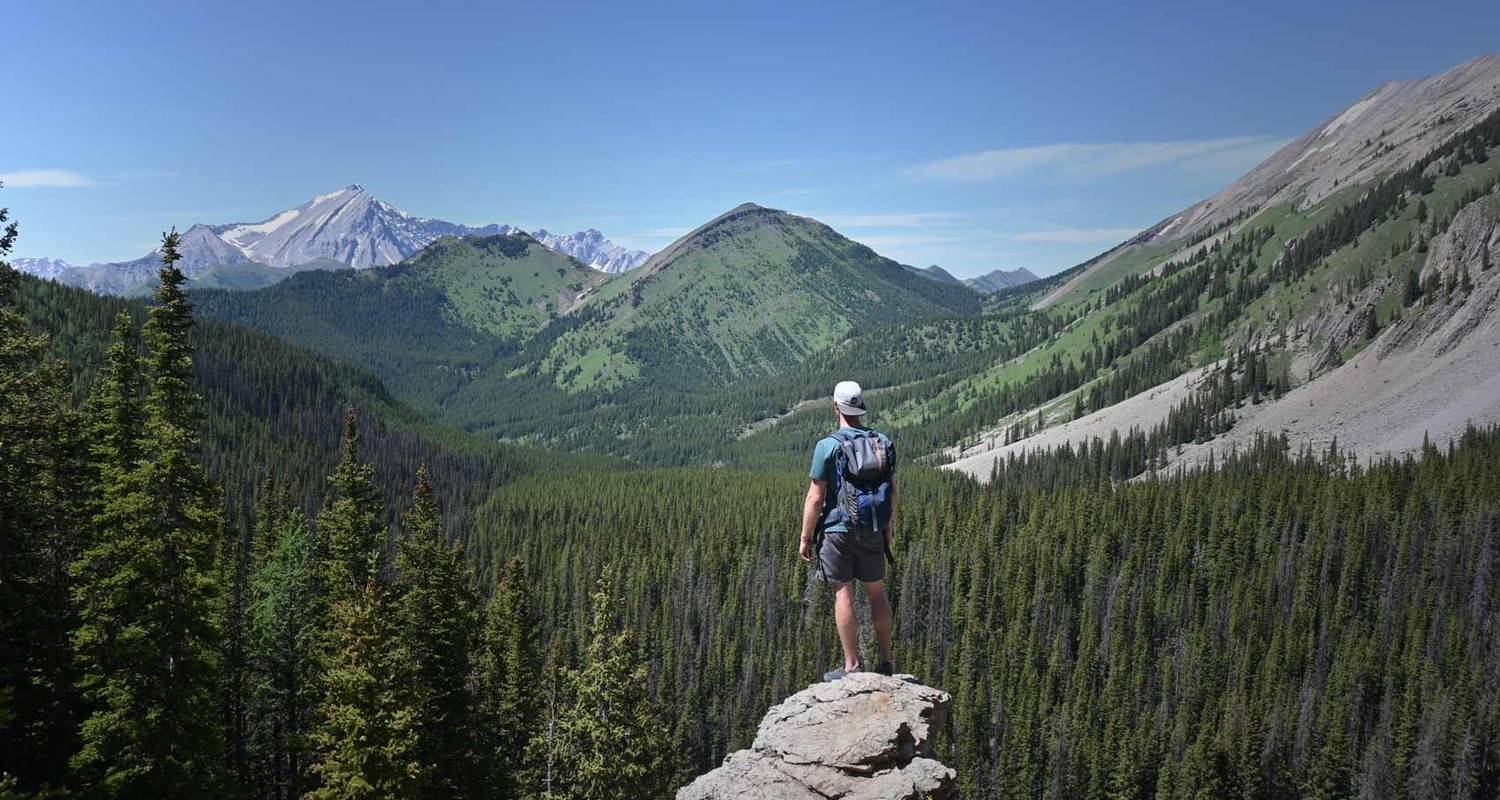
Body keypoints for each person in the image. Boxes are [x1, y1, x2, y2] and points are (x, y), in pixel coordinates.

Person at [798, 380, 896, 681]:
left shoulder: (827, 446)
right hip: (873, 527)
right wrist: (888, 525)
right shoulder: (883, 442)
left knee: (844, 593)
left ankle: (852, 665)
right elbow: (892, 490)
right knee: (877, 592)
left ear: (836, 408)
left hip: (838, 530)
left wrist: (805, 536)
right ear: (861, 409)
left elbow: (816, 497)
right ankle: (886, 661)